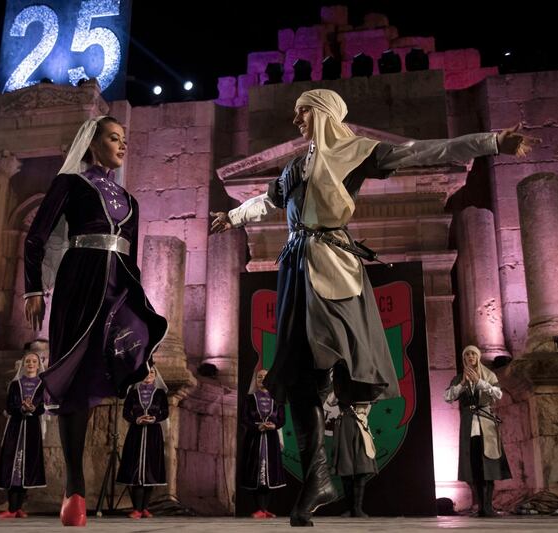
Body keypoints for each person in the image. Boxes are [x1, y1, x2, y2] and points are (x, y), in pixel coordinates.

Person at [211, 89, 537, 527]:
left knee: (326, 355)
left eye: (302, 112)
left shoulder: (357, 153)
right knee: (297, 380)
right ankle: (318, 477)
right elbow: (267, 201)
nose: (296, 121)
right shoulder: (294, 168)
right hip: (295, 270)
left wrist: (492, 142)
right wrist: (231, 217)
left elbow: (427, 150)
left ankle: (330, 419)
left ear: (323, 112)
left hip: (332, 268)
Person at [23, 115, 168, 526]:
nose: (122, 145)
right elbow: (36, 238)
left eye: (124, 139)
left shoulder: (129, 199)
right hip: (80, 278)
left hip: (119, 281)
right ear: (92, 143)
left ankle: (135, 363)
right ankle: (75, 488)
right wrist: (33, 289)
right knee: (74, 377)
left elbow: (134, 257)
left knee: (137, 339)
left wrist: (141, 302)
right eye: (113, 138)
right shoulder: (69, 184)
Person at [444, 345, 511, 517]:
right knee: (472, 465)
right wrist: (462, 384)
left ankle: (488, 506)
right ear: (464, 358)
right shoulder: (459, 378)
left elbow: (498, 394)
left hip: (486, 424)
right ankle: (480, 506)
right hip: (469, 426)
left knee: (488, 465)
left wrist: (481, 383)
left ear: (478, 356)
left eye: (473, 354)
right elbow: (448, 397)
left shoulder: (489, 375)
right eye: (467, 354)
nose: (470, 357)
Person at [0, 352, 47, 519]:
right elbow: (9, 407)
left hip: (32, 428)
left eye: (34, 361)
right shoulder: (15, 385)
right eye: (27, 361)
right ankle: (11, 508)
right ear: (23, 364)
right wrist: (22, 409)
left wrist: (33, 409)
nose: (31, 364)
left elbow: (43, 407)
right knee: (12, 465)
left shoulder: (43, 385)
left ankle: (17, 508)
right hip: (15, 427)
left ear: (38, 365)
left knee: (26, 467)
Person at [116, 365, 168, 519]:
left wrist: (154, 419)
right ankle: (137, 509)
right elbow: (126, 412)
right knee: (136, 470)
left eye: (151, 372)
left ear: (155, 374)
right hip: (136, 433)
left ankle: (145, 508)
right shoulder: (133, 393)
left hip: (153, 435)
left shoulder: (160, 394)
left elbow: (165, 412)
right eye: (146, 372)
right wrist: (136, 419)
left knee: (150, 470)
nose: (148, 375)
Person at [328, 368, 377, 518]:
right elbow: (330, 401)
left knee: (362, 466)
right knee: (346, 467)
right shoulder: (341, 383)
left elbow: (368, 405)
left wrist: (361, 416)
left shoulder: (366, 383)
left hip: (360, 425)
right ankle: (350, 508)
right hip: (345, 426)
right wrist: (338, 386)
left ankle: (358, 508)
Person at [239, 368, 286, 519]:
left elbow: (281, 419)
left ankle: (265, 509)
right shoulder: (249, 399)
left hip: (271, 440)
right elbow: (244, 419)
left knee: (270, 475)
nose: (261, 379)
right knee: (256, 474)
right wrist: (257, 426)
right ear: (256, 380)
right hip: (255, 439)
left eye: (264, 377)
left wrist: (274, 425)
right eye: (259, 377)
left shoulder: (277, 399)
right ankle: (259, 508)